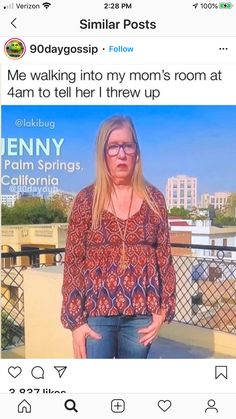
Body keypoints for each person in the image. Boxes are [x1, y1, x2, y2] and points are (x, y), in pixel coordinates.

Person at [61, 115, 176, 359]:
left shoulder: (155, 200)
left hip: (141, 317)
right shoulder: (86, 201)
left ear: (136, 151)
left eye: (128, 145)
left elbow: (164, 258)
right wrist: (76, 323)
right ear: (103, 153)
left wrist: (163, 310)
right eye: (113, 146)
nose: (121, 154)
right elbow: (73, 263)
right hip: (95, 317)